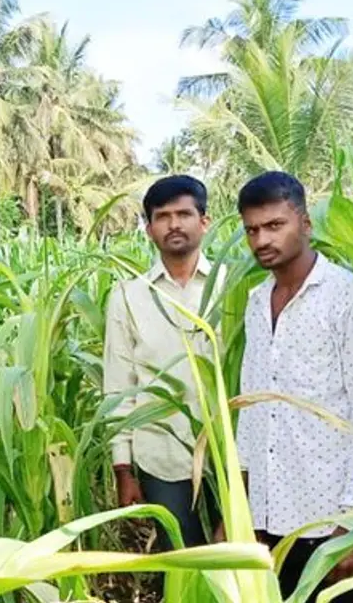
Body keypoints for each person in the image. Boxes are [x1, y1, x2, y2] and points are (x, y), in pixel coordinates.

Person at [233, 172, 353, 603]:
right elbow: (252, 409)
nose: (262, 239)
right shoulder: (256, 302)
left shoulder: (342, 295)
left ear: (305, 223)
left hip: (328, 519)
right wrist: (242, 506)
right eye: (252, 230)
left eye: (274, 225)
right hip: (268, 519)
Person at [103, 174, 218, 549]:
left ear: (204, 221)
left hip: (229, 458)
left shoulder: (232, 286)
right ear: (149, 229)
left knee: (237, 563)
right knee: (180, 562)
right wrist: (123, 468)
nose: (174, 224)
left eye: (184, 214)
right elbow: (119, 385)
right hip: (161, 459)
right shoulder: (128, 297)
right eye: (163, 216)